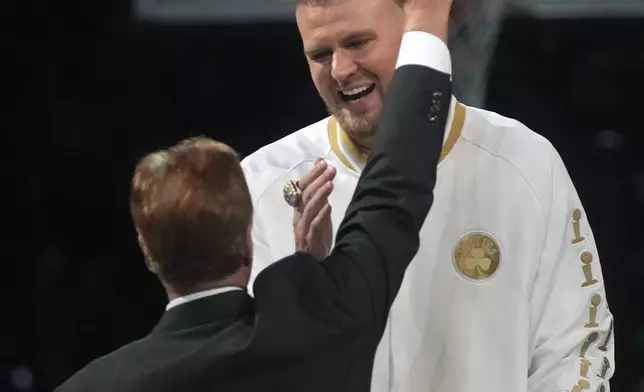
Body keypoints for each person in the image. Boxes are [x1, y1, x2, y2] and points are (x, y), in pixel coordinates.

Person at [54, 1, 455, 390]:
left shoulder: (99, 383)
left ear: (147, 250)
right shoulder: (318, 330)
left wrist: (306, 277)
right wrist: (426, 16)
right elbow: (393, 185)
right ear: (248, 232)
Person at [241, 0, 615, 391]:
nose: (340, 69)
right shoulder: (261, 183)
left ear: (418, 38)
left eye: (358, 43)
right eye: (320, 54)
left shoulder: (525, 162)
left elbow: (575, 349)